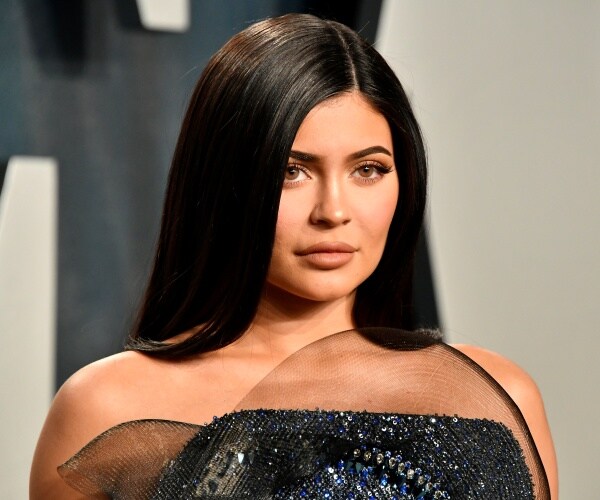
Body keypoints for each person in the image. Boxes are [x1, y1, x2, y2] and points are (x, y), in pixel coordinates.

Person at [30, 13, 557, 499]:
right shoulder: (107, 405)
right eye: (292, 171)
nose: (333, 212)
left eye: (368, 170)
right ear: (223, 181)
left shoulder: (496, 397)